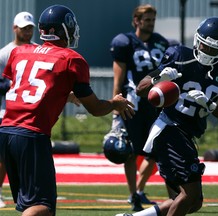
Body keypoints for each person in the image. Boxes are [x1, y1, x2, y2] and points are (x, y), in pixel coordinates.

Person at [0, 4, 134, 216]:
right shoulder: (71, 59)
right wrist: (115, 103)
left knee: (28, 204)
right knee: (42, 206)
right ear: (60, 30)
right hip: (32, 134)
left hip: (5, 131)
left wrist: (64, 94)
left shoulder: (19, 52)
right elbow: (96, 109)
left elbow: (28, 85)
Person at [116, 17, 218, 216]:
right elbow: (141, 89)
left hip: (187, 135)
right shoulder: (179, 55)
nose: (207, 53)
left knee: (193, 201)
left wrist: (210, 104)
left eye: (213, 50)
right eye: (205, 47)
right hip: (169, 128)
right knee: (189, 195)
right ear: (197, 41)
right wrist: (159, 78)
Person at [110, 4, 169, 211]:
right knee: (130, 151)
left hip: (155, 103)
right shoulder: (125, 42)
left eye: (153, 20)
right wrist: (116, 108)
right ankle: (133, 194)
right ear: (136, 20)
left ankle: (140, 189)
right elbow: (119, 77)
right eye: (147, 20)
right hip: (132, 103)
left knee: (156, 150)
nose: (151, 24)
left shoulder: (160, 43)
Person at [0, 11, 36, 208]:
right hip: (8, 112)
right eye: (24, 28)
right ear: (15, 28)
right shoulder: (5, 53)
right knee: (4, 158)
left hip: (32, 113)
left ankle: (28, 193)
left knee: (30, 157)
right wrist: (16, 85)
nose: (28, 32)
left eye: (30, 28)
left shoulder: (38, 50)